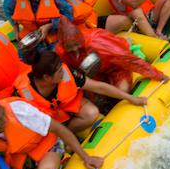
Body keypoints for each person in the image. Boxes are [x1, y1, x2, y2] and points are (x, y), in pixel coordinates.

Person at [14, 51, 147, 132]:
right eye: (59, 71)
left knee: (92, 113)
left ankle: (68, 132)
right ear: (47, 78)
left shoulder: (67, 73)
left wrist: (130, 98)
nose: (63, 72)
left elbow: (99, 87)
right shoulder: (22, 94)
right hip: (47, 121)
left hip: (67, 106)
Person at [56, 17, 168, 92]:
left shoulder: (97, 42)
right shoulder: (61, 52)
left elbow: (128, 60)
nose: (74, 49)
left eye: (76, 44)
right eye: (69, 47)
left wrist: (157, 75)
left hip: (115, 67)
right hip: (93, 74)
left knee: (123, 90)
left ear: (80, 39)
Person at [3, 0, 71, 54]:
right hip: (31, 37)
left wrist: (50, 25)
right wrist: (16, 29)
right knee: (24, 55)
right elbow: (8, 10)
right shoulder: (16, 0)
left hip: (53, 35)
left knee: (55, 55)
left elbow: (69, 15)